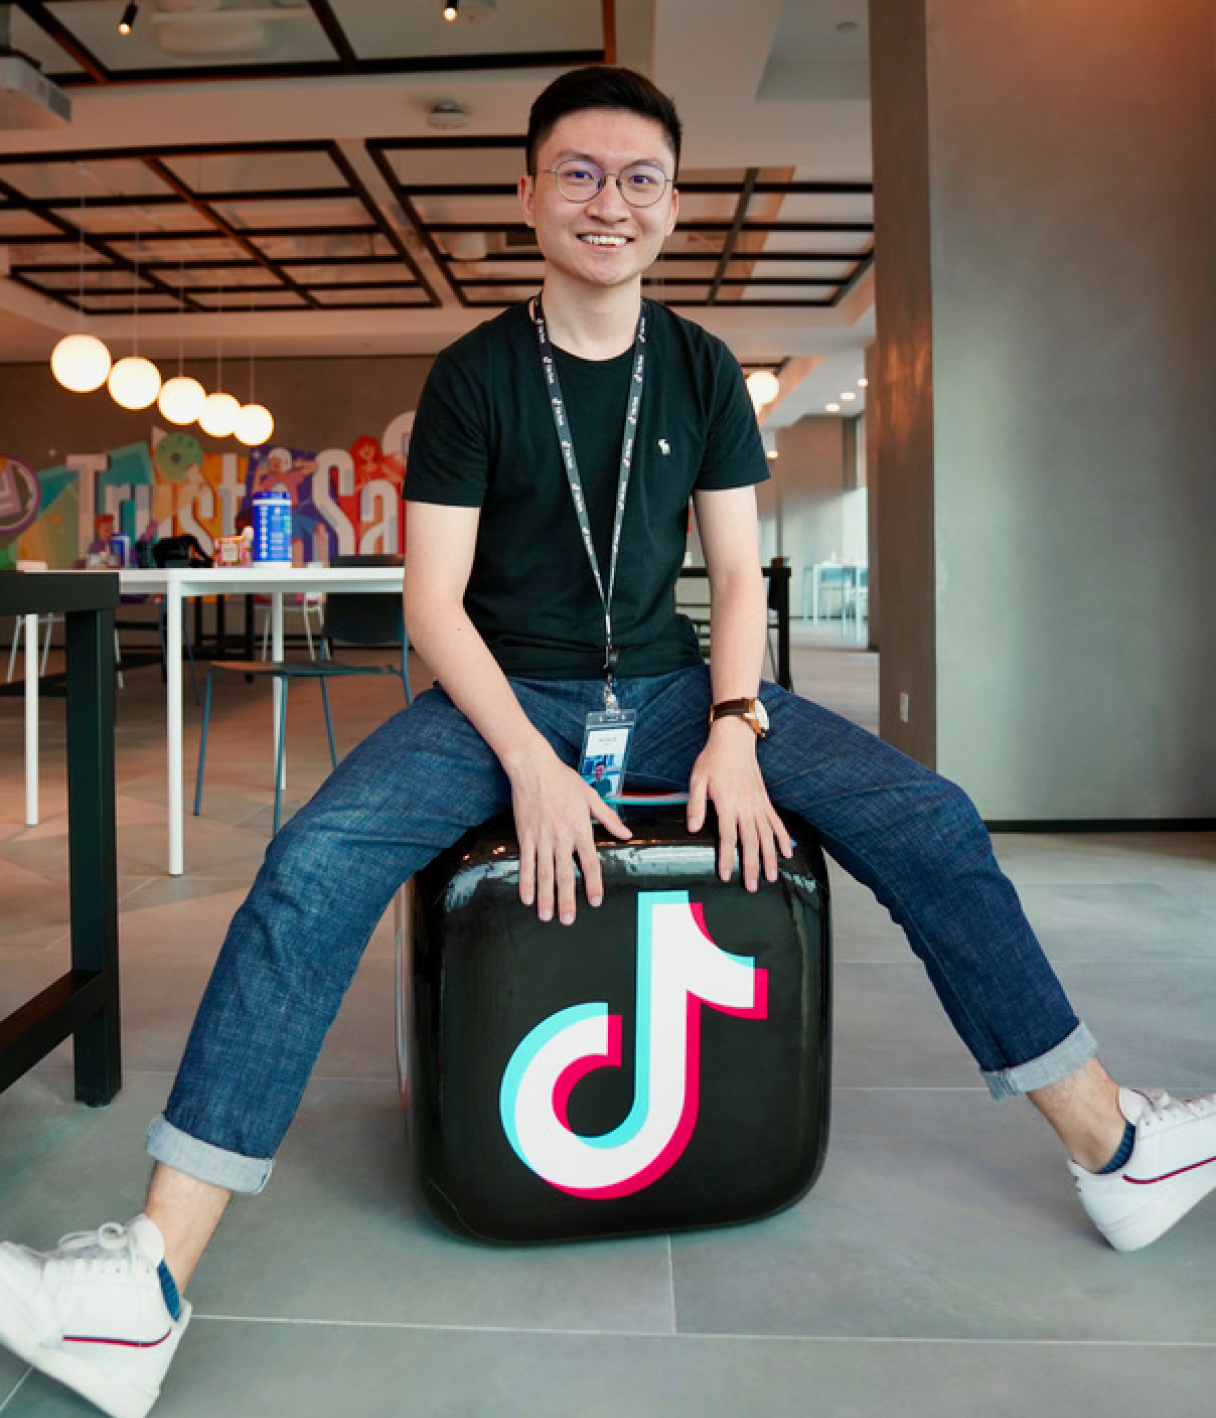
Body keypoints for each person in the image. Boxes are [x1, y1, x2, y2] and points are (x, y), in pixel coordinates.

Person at [1, 64, 1214, 1418]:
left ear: (673, 206)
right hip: (499, 699)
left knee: (930, 817)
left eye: (640, 178)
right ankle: (144, 1288)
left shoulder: (697, 370)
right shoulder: (473, 377)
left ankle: (1113, 1148)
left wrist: (743, 729)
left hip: (684, 693)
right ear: (527, 195)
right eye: (578, 172)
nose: (609, 200)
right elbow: (433, 606)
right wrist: (525, 758)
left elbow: (744, 581)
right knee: (308, 864)